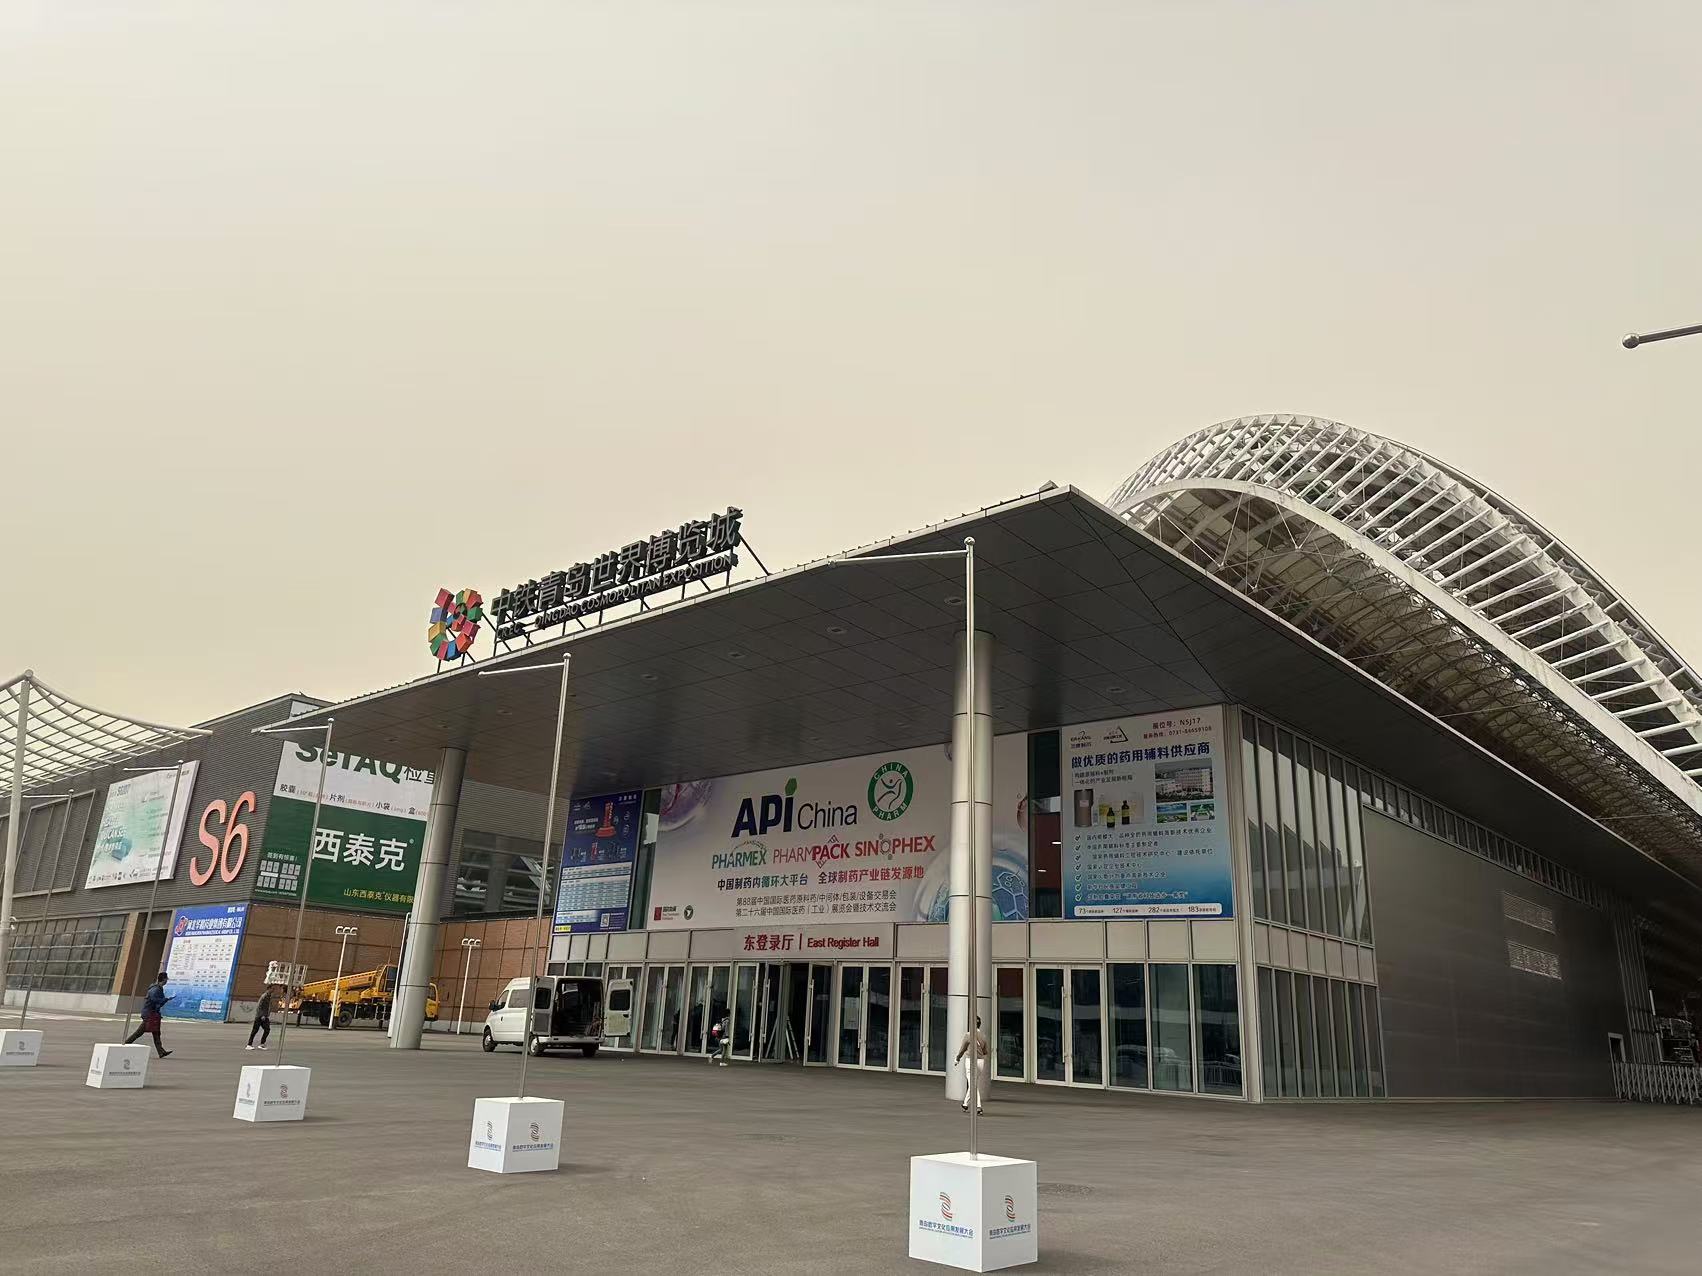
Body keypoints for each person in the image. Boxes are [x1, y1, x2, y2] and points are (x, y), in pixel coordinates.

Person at [124, 972, 175, 1058]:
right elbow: (155, 1000)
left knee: (156, 1033)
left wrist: (165, 1000)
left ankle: (161, 1052)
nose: (167, 981)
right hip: (150, 1014)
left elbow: (157, 1001)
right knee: (139, 1033)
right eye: (166, 979)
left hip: (152, 1013)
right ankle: (125, 1044)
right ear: (164, 979)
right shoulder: (156, 989)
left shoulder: (157, 988)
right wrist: (165, 999)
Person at [956, 1015, 990, 1115]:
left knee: (973, 1084)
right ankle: (965, 1104)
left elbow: (962, 1049)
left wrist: (957, 1058)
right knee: (973, 1083)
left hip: (970, 1061)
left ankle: (979, 1106)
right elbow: (985, 1051)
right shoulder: (983, 1036)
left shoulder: (968, 1035)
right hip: (980, 1062)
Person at [247, 984, 277, 1050]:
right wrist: (262, 1015)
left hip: (265, 1016)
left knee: (267, 1029)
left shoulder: (269, 996)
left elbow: (267, 1006)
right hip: (260, 1016)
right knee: (255, 1030)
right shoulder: (264, 996)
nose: (273, 990)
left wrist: (266, 1014)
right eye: (272, 988)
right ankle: (249, 1045)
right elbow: (259, 1006)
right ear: (269, 988)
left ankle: (262, 1044)